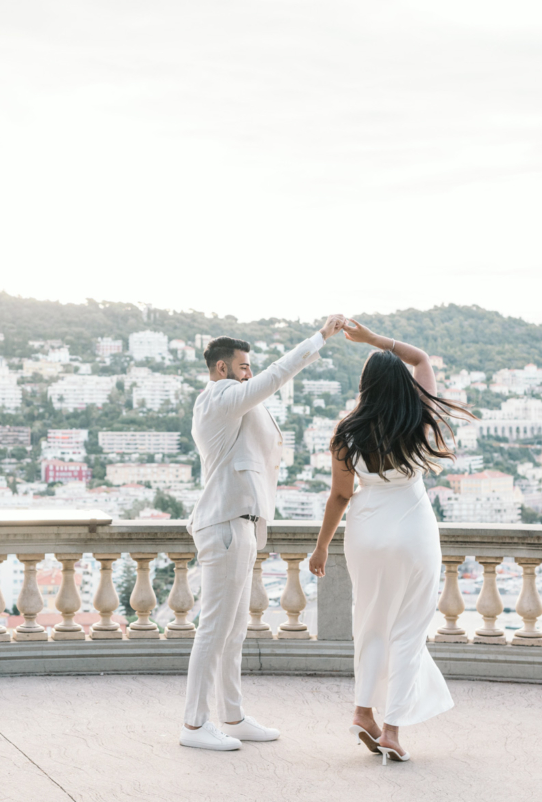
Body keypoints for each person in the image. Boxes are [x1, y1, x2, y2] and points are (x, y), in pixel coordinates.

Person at [180, 314, 346, 752]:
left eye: (248, 367)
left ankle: (231, 716)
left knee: (233, 630)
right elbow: (276, 376)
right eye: (242, 366)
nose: (248, 372)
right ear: (221, 369)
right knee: (213, 628)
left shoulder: (231, 401)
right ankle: (194, 725)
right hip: (226, 525)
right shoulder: (220, 398)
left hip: (242, 523)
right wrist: (319, 339)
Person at [308, 318, 471, 764]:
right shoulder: (416, 417)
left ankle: (363, 710)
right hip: (412, 530)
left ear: (364, 386)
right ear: (399, 381)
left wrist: (321, 546)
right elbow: (419, 357)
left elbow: (341, 494)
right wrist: (374, 340)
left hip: (365, 531)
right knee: (409, 630)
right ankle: (393, 730)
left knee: (370, 622)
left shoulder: (346, 431)